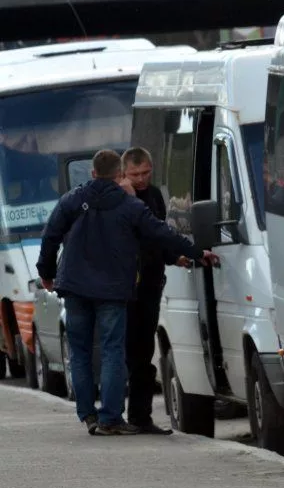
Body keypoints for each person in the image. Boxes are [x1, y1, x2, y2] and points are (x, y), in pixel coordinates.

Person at [36, 150, 218, 436]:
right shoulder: (129, 205)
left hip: (75, 287)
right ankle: (110, 417)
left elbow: (51, 235)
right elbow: (162, 233)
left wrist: (46, 272)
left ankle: (88, 415)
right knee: (112, 351)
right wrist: (196, 252)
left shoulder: (73, 199)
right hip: (112, 289)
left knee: (80, 352)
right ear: (119, 173)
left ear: (93, 173)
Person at [120, 147, 189, 435]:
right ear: (124, 173)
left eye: (146, 172)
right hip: (125, 288)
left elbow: (158, 235)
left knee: (144, 352)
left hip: (150, 283)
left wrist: (175, 257)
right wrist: (131, 199)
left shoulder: (156, 195)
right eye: (134, 174)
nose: (141, 179)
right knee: (127, 353)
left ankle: (140, 416)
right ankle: (120, 415)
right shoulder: (120, 199)